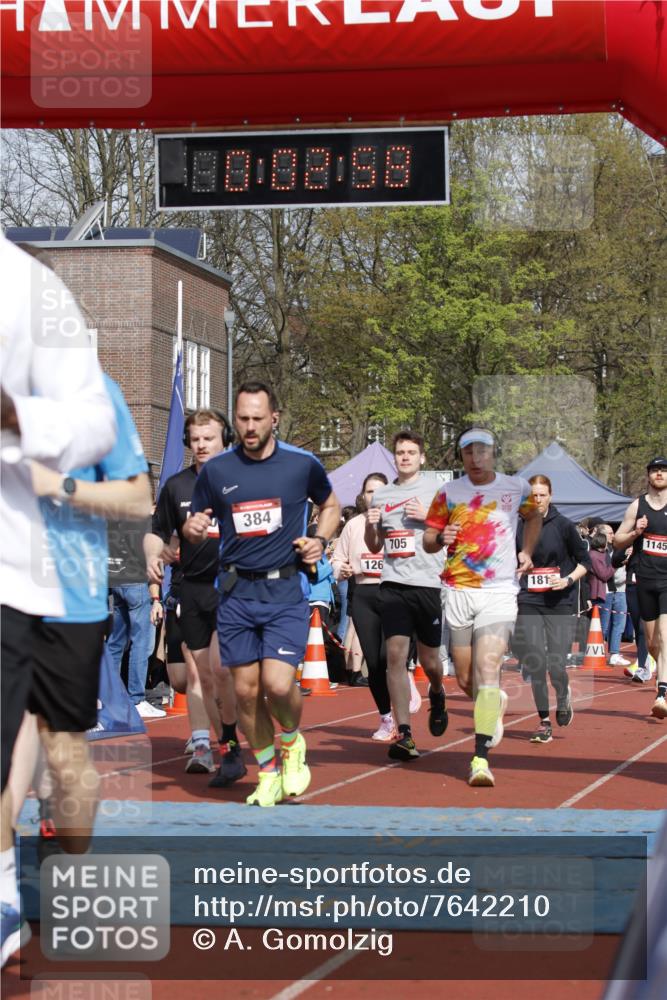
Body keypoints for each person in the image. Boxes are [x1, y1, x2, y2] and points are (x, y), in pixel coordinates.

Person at [0, 236, 116, 968]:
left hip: (64, 594)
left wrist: (30, 438)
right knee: (17, 758)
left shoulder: (32, 294)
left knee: (65, 766)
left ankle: (67, 875)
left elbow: (131, 488)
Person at [7, 374, 151, 847]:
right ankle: (8, 903)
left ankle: (71, 880)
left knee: (65, 755)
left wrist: (59, 484)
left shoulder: (93, 390)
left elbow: (137, 497)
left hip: (70, 600)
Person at [184, 381, 341, 806]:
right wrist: (193, 527)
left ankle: (291, 741)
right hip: (235, 592)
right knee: (247, 692)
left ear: (274, 418)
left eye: (257, 418)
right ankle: (268, 771)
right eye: (242, 419)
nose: (249, 427)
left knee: (276, 683)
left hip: (285, 587)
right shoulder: (218, 470)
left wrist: (319, 540)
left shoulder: (301, 464)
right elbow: (195, 520)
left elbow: (331, 505)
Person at [423, 428, 542, 787]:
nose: (476, 459)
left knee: (488, 668)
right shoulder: (448, 493)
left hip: (499, 591)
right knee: (464, 678)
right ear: (461, 457)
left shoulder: (515, 487)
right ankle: (493, 704)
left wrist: (527, 551)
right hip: (458, 590)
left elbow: (533, 517)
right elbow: (429, 539)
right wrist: (439, 538)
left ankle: (479, 759)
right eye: (468, 452)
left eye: (482, 451)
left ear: (494, 454)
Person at [145, 409, 244, 785]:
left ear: (225, 440)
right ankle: (211, 746)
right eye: (196, 439)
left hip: (235, 587)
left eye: (209, 438)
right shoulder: (176, 486)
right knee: (196, 673)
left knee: (223, 673)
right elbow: (157, 531)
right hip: (192, 589)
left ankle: (238, 737)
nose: (202, 445)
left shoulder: (242, 480)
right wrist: (154, 554)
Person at [364, 433, 447, 761]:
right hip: (393, 583)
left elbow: (450, 532)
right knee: (395, 658)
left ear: (422, 458)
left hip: (427, 584)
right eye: (400, 452)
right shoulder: (382, 495)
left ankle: (437, 692)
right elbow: (375, 545)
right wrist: (372, 526)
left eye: (411, 452)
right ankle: (405, 733)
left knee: (429, 661)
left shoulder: (437, 491)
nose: (405, 457)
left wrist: (427, 515)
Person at [512, 475, 590, 744]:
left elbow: (585, 562)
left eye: (542, 495)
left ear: (550, 496)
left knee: (556, 663)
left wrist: (567, 579)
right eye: (533, 495)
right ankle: (544, 720)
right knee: (535, 660)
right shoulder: (519, 525)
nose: (538, 500)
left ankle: (563, 690)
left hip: (560, 601)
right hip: (529, 599)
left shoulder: (565, 526)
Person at [613, 456, 667, 719]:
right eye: (655, 471)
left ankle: (662, 693)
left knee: (665, 638)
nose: (659, 474)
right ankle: (662, 674)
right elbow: (617, 542)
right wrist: (636, 532)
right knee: (653, 643)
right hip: (645, 581)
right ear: (648, 476)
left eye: (663, 471)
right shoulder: (638, 506)